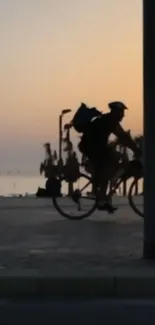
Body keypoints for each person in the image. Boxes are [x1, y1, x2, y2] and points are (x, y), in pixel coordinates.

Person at [78, 101, 141, 213]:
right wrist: (136, 149)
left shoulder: (110, 120)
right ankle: (102, 199)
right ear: (116, 112)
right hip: (91, 147)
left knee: (113, 160)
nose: (123, 115)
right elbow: (123, 136)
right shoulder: (110, 121)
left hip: (96, 147)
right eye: (122, 112)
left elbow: (123, 136)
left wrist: (134, 148)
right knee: (110, 165)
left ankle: (104, 195)